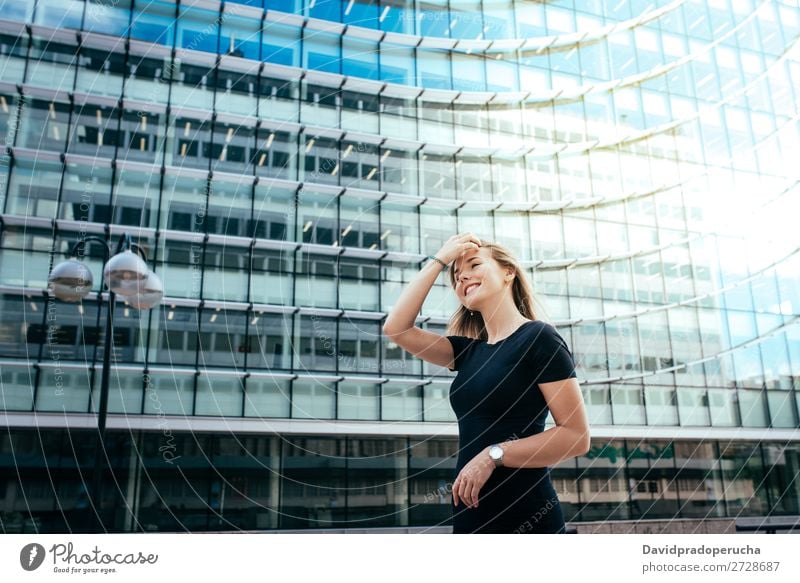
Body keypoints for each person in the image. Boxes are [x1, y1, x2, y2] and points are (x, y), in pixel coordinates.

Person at [383, 232, 590, 533]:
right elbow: (396, 329)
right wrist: (439, 260)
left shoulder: (539, 339)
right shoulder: (467, 352)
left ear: (508, 273)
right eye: (455, 276)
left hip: (525, 511)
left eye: (475, 265)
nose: (463, 277)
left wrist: (493, 455)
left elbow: (576, 436)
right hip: (471, 513)